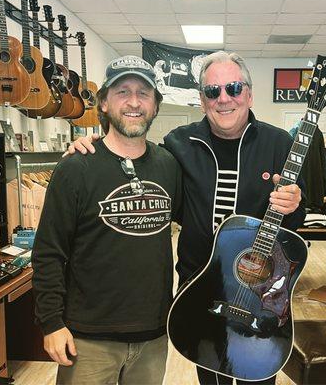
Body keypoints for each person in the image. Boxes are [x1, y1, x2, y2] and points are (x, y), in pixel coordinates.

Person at [68, 51, 305, 385]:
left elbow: (295, 226)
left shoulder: (281, 144)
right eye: (213, 91)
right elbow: (135, 158)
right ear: (201, 99)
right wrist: (95, 145)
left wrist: (295, 205)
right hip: (200, 291)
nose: (224, 99)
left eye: (234, 88)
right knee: (211, 374)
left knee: (258, 375)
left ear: (249, 94)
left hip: (261, 296)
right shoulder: (178, 144)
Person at [32, 55, 182, 385]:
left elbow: (203, 222)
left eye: (144, 93)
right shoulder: (76, 168)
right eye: (122, 92)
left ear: (155, 105)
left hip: (153, 335)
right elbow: (48, 252)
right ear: (103, 103)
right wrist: (52, 323)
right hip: (88, 338)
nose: (133, 102)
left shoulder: (169, 166)